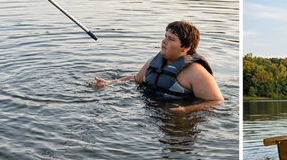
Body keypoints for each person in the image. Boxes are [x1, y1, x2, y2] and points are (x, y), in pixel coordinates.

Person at [91, 21, 224, 107]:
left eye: (171, 39)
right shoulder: (152, 62)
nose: (164, 41)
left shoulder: (196, 72)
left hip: (175, 118)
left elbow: (216, 102)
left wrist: (186, 110)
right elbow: (136, 79)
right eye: (165, 36)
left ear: (186, 47)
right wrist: (110, 83)